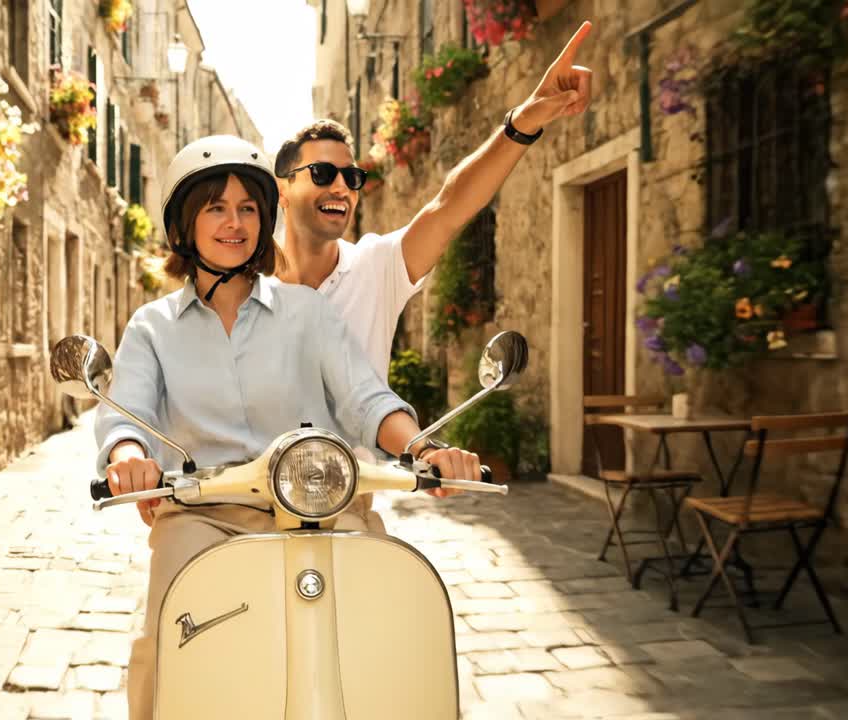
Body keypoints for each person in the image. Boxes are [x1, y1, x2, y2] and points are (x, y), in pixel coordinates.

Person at [94, 135, 485, 720]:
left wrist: (425, 448)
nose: (235, 223)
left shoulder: (306, 312)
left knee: (393, 616)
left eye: (248, 208)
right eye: (216, 208)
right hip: (204, 514)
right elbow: (128, 412)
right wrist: (128, 455)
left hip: (321, 509)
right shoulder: (152, 328)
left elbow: (365, 398)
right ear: (184, 223)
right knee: (166, 631)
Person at [273, 22, 595, 384]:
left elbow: (448, 207)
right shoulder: (244, 283)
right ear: (282, 189)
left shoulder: (375, 267)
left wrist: (523, 121)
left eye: (351, 177)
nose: (340, 187)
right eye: (321, 173)